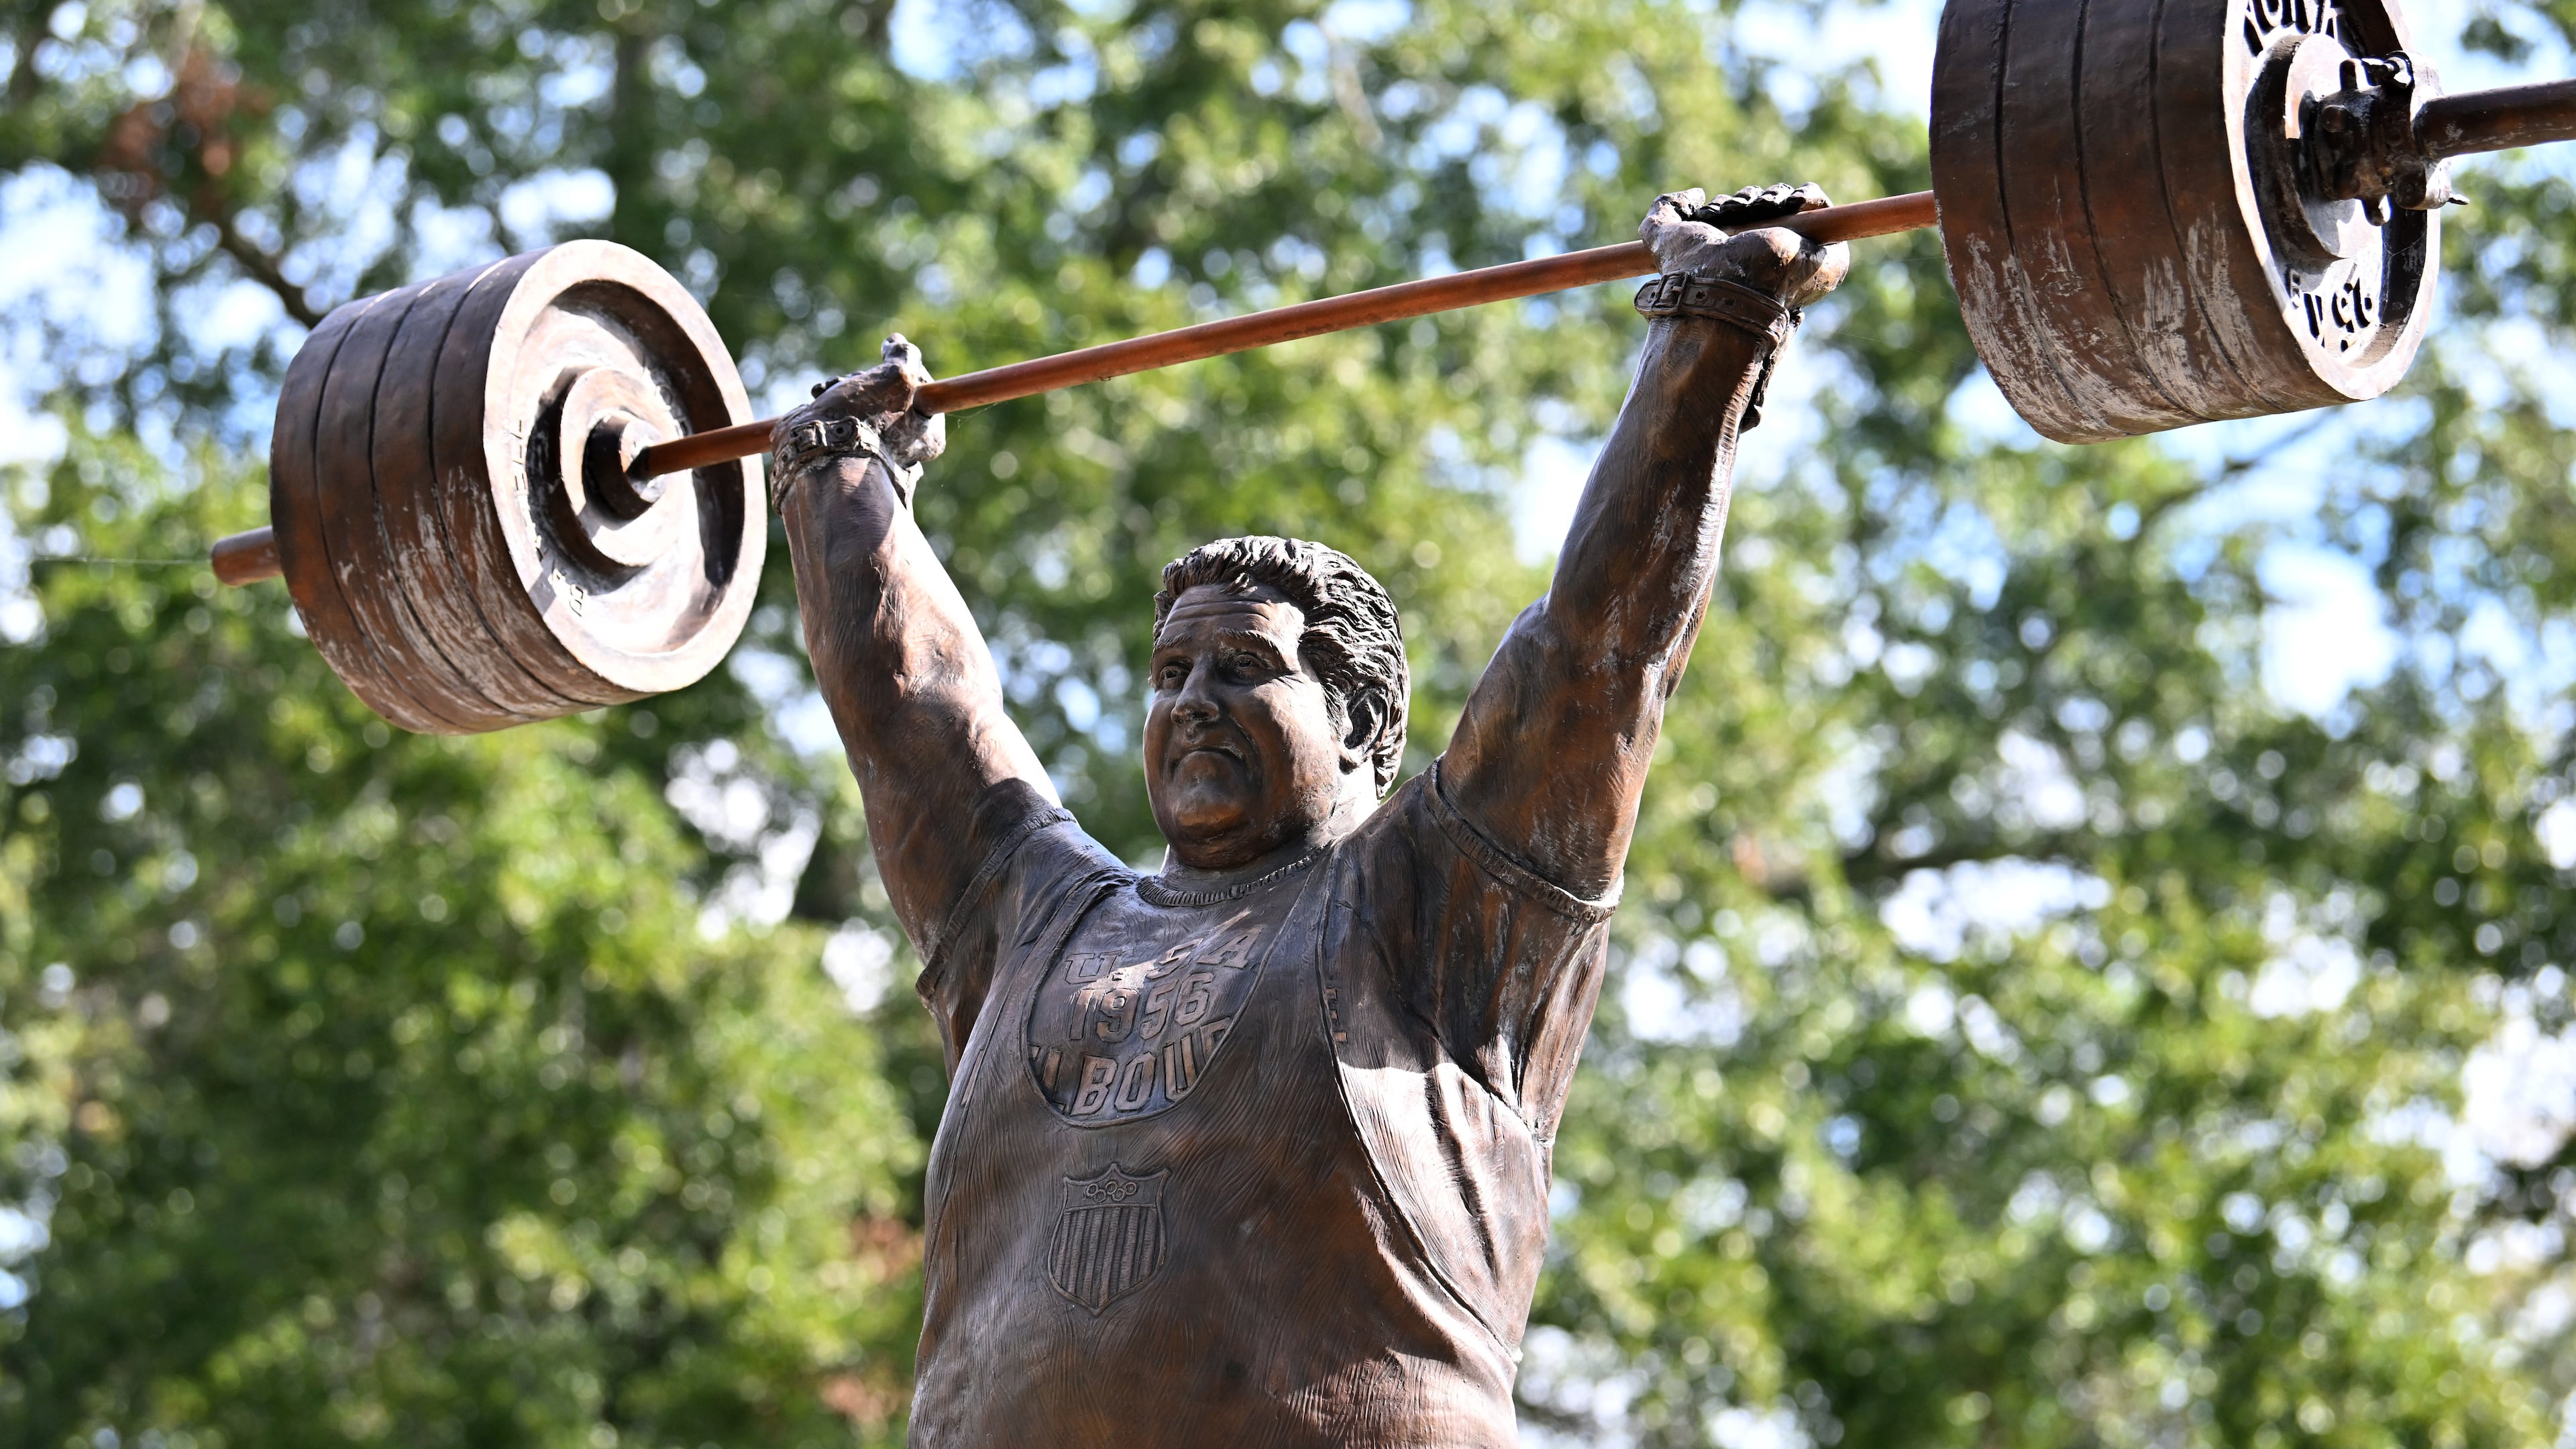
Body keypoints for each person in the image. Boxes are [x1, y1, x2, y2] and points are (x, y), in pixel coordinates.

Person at [769, 184, 1849, 1446]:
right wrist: (838, 474)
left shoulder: (1435, 910)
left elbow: (1595, 660)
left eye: (1245, 670)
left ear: (1365, 728)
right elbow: (915, 707)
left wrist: (1710, 323)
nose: (1197, 703)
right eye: (1171, 676)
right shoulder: (1032, 922)